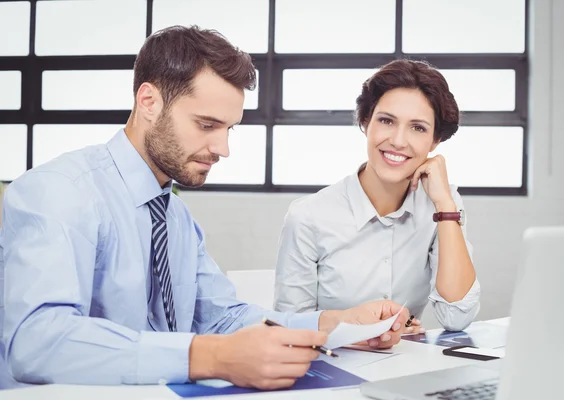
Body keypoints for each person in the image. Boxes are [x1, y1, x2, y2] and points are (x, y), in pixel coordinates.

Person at [0, 26, 411, 390]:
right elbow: (37, 342)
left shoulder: (175, 217)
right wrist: (209, 358)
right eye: (207, 125)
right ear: (149, 102)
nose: (223, 149)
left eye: (229, 129)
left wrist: (331, 326)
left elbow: (221, 318)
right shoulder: (58, 191)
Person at [273, 59, 480, 332]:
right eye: (386, 121)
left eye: (418, 127)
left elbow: (457, 318)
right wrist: (360, 333)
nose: (397, 140)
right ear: (365, 123)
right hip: (331, 367)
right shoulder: (308, 216)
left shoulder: (442, 205)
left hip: (404, 366)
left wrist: (445, 206)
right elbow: (289, 330)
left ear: (435, 141)